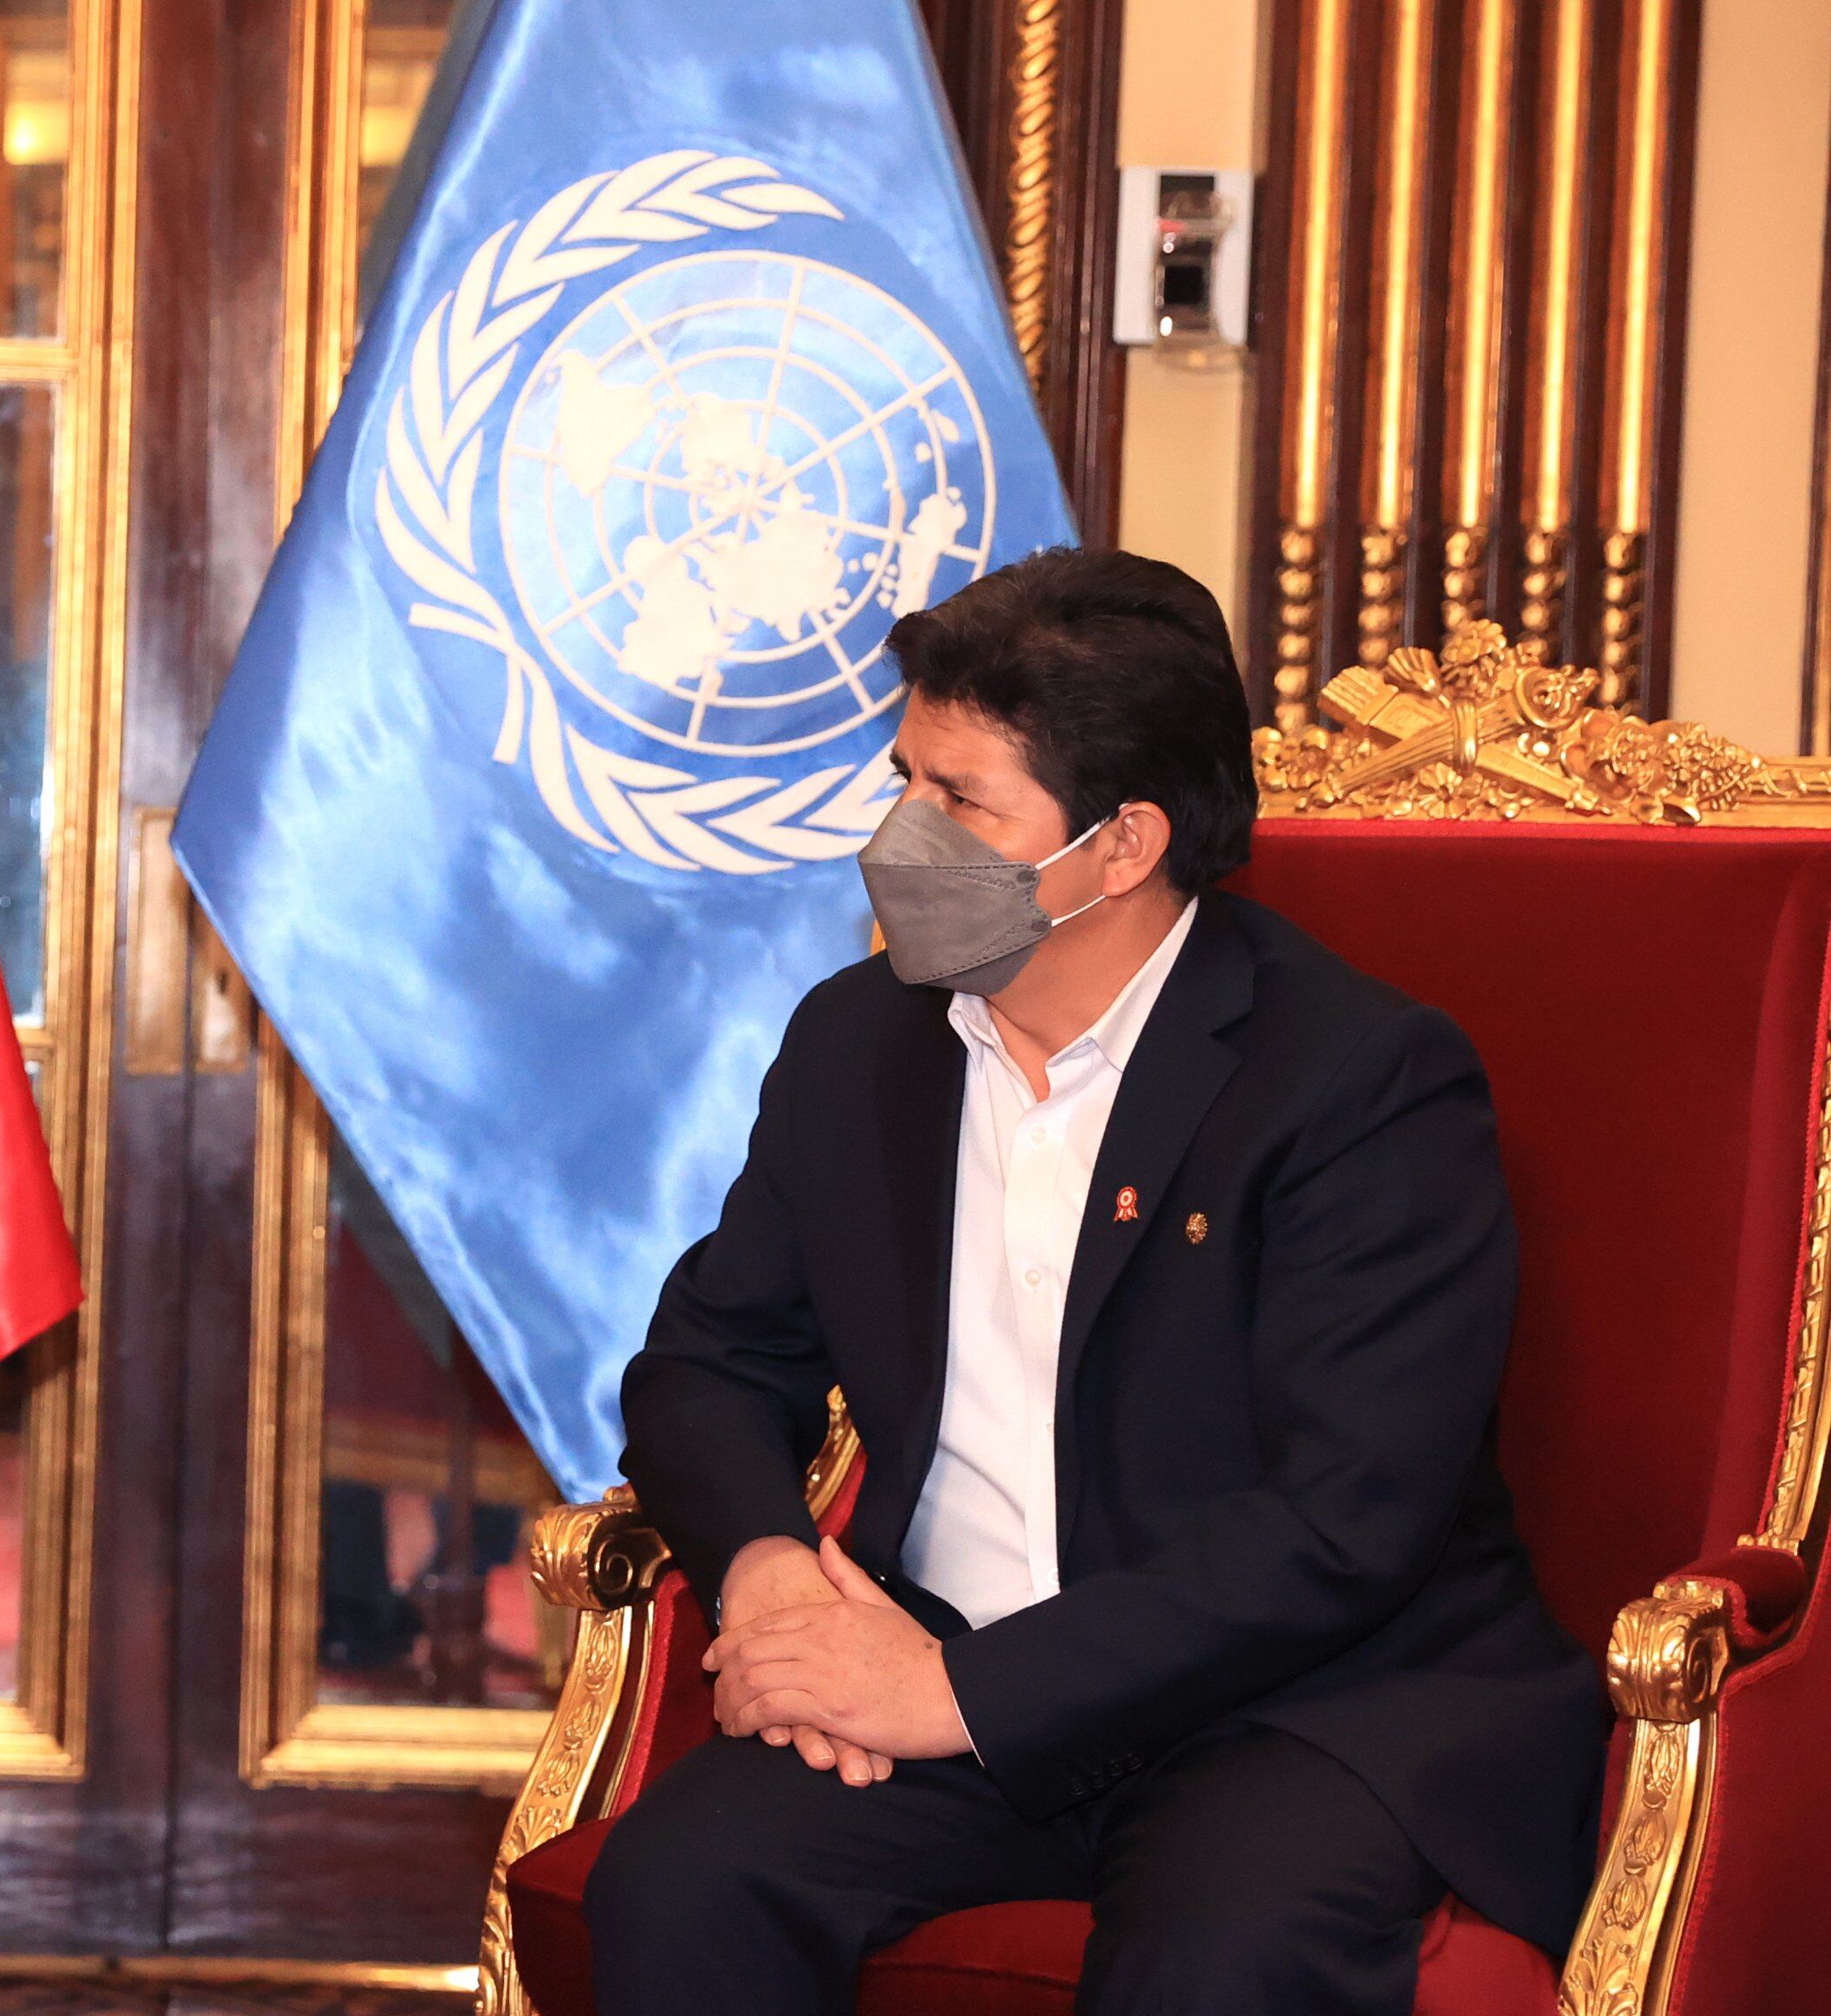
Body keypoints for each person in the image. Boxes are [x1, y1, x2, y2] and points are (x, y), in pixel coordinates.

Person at [584, 550, 1607, 2014]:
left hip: (1285, 1704)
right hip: (931, 1665)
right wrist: (770, 1591)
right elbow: (705, 1364)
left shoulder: (1358, 1080)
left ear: (1121, 847)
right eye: (903, 777)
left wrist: (955, 1697)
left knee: (1218, 1959)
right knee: (682, 1886)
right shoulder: (859, 1042)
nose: (898, 835)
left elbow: (1340, 1524)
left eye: (961, 802)